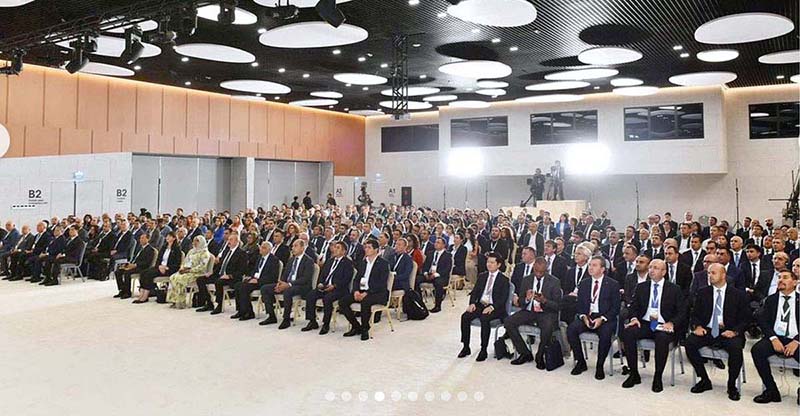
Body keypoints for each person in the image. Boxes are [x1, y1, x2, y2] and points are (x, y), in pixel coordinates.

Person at [684, 263, 751, 401]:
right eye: (708, 273)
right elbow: (695, 314)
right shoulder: (703, 292)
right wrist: (696, 326)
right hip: (708, 330)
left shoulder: (738, 295)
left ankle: (731, 384)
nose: (710, 276)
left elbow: (746, 319)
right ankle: (704, 379)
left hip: (729, 332)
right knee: (689, 343)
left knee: (736, 348)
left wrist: (735, 331)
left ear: (723, 275)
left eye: (713, 273)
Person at [621, 259, 687, 393]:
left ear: (664, 272)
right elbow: (633, 307)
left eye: (655, 268)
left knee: (662, 339)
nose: (651, 270)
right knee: (628, 333)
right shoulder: (642, 287)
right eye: (650, 267)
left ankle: (658, 376)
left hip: (664, 325)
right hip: (645, 323)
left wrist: (672, 323)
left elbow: (682, 312)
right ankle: (634, 373)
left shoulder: (674, 289)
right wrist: (633, 318)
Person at [566, 255, 621, 380]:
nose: (590, 267)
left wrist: (602, 319)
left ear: (602, 269)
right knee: (571, 329)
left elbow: (615, 308)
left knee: (606, 333)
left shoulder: (613, 284)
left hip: (604, 317)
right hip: (587, 316)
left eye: (594, 265)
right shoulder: (584, 283)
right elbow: (579, 305)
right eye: (590, 265)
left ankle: (600, 365)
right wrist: (584, 317)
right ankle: (580, 362)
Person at [751, 270, 799, 404]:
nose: (780, 280)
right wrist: (773, 338)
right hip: (776, 337)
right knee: (757, 350)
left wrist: (796, 341)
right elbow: (763, 321)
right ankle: (771, 390)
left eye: (785, 278)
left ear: (795, 282)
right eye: (779, 278)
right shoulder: (771, 300)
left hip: (796, 338)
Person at [505, 257, 562, 368]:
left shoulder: (554, 281)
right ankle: (525, 353)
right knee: (508, 322)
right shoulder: (527, 280)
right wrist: (526, 299)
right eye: (536, 271)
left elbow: (557, 306)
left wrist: (544, 300)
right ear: (533, 268)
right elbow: (521, 302)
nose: (539, 274)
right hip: (529, 311)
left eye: (542, 272)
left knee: (547, 327)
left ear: (547, 270)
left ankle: (540, 355)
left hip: (546, 312)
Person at [458, 252, 510, 361]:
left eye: (492, 262)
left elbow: (503, 299)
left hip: (495, 308)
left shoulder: (503, 279)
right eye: (488, 262)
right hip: (481, 304)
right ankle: (466, 346)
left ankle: (483, 349)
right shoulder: (482, 276)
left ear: (498, 264)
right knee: (465, 316)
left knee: (484, 318)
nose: (489, 264)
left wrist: (492, 307)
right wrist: (472, 303)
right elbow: (475, 292)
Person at [339, 239, 390, 341]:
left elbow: (381, 283)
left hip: (377, 293)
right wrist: (356, 291)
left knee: (365, 302)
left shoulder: (383, 263)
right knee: (343, 302)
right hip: (361, 290)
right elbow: (357, 279)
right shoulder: (363, 263)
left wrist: (367, 292)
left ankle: (365, 328)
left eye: (369, 247)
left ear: (376, 250)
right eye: (365, 247)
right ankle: (356, 326)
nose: (366, 249)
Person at [259, 239, 315, 329]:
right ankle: (271, 316)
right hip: (288, 284)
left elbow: (305, 279)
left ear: (302, 248)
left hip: (302, 286)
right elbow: (285, 274)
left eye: (295, 246)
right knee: (265, 288)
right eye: (292, 246)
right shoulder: (291, 260)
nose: (293, 248)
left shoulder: (308, 261)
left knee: (288, 291)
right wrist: (280, 284)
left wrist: (288, 284)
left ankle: (286, 319)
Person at [302, 241, 353, 334]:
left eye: (338, 248)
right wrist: (321, 283)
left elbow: (347, 279)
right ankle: (312, 321)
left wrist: (334, 286)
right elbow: (323, 274)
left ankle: (326, 324)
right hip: (326, 286)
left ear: (344, 251)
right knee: (310, 295)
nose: (335, 249)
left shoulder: (347, 263)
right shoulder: (330, 261)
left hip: (339, 289)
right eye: (335, 247)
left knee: (327, 298)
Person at [230, 241, 280, 321]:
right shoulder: (259, 257)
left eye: (264, 248)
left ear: (269, 250)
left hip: (264, 282)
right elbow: (255, 270)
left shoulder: (274, 260)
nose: (261, 249)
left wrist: (258, 280)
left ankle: (249, 313)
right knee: (238, 285)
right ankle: (241, 310)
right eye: (261, 247)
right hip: (255, 279)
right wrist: (251, 277)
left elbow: (273, 277)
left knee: (244, 287)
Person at [134, 231, 182, 304]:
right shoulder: (164, 247)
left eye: (169, 236)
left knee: (149, 274)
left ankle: (145, 296)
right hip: (160, 267)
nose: (167, 237)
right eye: (167, 236)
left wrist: (166, 268)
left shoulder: (177, 249)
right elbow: (158, 259)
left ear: (174, 238)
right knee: (143, 273)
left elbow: (177, 263)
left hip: (169, 269)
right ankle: (142, 294)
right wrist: (159, 266)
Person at [166, 236, 212, 309]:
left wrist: (189, 270)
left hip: (197, 273)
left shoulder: (205, 253)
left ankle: (181, 302)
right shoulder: (191, 251)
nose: (194, 243)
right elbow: (185, 261)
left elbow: (202, 266)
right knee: (173, 277)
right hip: (187, 270)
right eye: (194, 241)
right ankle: (174, 300)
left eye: (197, 241)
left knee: (180, 279)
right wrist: (182, 268)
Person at [113, 233, 156, 299]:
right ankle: (122, 290)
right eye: (140, 238)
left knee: (127, 273)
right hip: (133, 265)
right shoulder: (139, 248)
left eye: (143, 238)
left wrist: (135, 265)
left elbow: (147, 263)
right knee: (118, 271)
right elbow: (135, 258)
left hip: (142, 268)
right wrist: (128, 264)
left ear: (148, 239)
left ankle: (127, 292)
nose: (141, 240)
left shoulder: (150, 250)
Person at [417, 237, 452, 313]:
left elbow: (447, 269)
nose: (436, 244)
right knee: (416, 280)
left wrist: (436, 274)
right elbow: (425, 266)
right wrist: (425, 273)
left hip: (440, 275)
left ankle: (437, 306)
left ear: (443, 245)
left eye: (438, 242)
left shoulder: (448, 255)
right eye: (436, 242)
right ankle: (420, 303)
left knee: (438, 283)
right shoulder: (430, 253)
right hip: (429, 274)